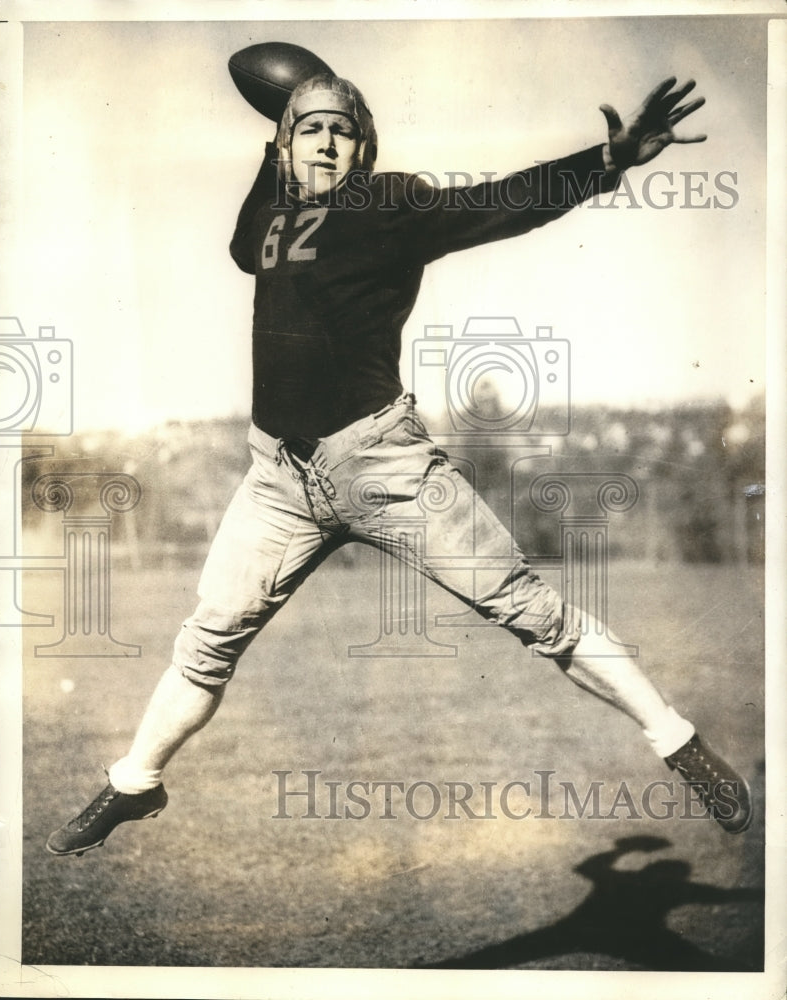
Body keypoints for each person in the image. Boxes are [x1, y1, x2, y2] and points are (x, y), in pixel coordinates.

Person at [47, 68, 752, 857]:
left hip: (385, 466)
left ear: (364, 147)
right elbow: (245, 247)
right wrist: (274, 142)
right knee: (206, 637)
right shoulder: (275, 214)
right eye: (307, 128)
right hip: (279, 477)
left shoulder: (388, 204)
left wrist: (608, 160)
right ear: (284, 146)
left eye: (340, 129)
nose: (324, 140)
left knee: (532, 612)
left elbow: (502, 204)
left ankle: (679, 742)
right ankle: (136, 781)